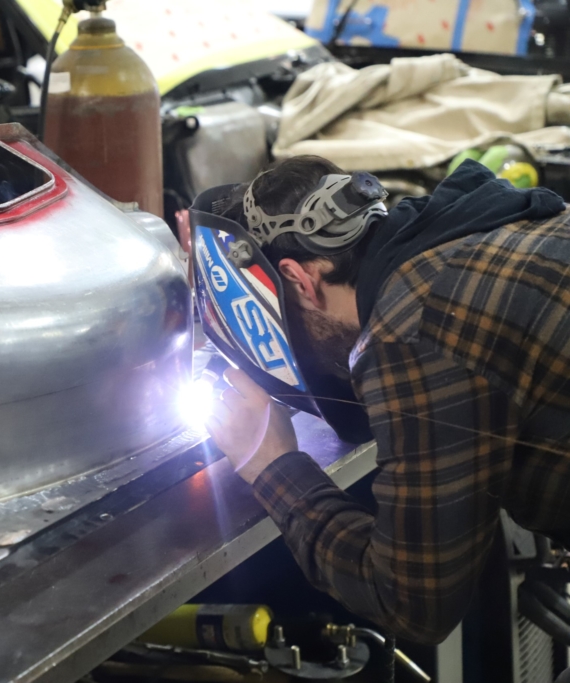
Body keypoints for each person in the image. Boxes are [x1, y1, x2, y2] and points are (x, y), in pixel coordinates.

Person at [204, 154, 570, 646]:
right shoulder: (481, 226)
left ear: (297, 279)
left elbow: (411, 602)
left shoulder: (414, 330)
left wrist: (270, 463)